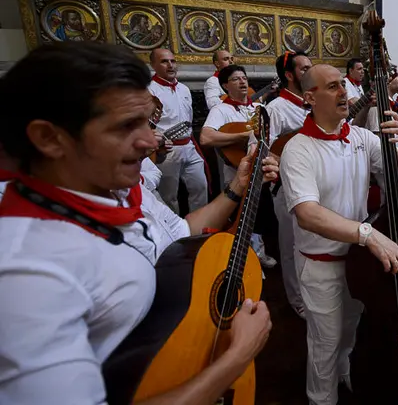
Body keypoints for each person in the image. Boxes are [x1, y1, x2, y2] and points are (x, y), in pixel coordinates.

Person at [0, 42, 278, 404]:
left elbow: (180, 233)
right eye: (126, 126)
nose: (150, 141)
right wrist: (236, 357)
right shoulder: (28, 271)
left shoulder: (116, 187)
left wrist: (236, 187)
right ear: (49, 138)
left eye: (146, 122)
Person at [280, 64, 398, 405]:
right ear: (310, 97)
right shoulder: (298, 149)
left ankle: (345, 372)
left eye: (343, 84)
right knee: (324, 342)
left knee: (351, 328)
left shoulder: (358, 137)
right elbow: (308, 214)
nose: (344, 92)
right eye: (332, 87)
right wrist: (368, 234)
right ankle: (320, 399)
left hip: (356, 262)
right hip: (321, 264)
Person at [201, 64, 277, 268]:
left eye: (244, 77)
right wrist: (244, 135)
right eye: (236, 79)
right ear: (225, 85)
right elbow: (206, 137)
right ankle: (243, 258)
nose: (242, 81)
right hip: (236, 175)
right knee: (241, 217)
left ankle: (259, 252)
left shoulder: (258, 109)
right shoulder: (221, 109)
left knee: (261, 215)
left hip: (261, 173)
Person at [266, 50, 313, 317]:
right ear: (289, 75)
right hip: (288, 187)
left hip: (315, 183)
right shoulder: (276, 108)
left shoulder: (313, 103)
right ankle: (297, 300)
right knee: (291, 244)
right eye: (304, 69)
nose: (309, 71)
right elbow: (260, 147)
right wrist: (283, 164)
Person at [148, 48, 208, 214]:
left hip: (189, 145)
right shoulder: (149, 90)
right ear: (153, 65)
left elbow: (188, 118)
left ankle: (199, 229)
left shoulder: (184, 89)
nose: (170, 65)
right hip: (166, 150)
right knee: (169, 196)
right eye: (164, 61)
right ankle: (176, 234)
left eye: (172, 61)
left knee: (200, 187)